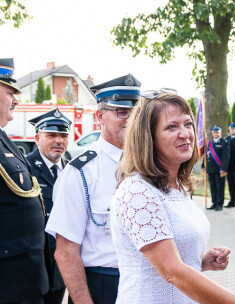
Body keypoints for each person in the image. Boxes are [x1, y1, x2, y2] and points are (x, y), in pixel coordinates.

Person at [110, 90, 235, 303]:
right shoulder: (137, 191)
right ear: (148, 137)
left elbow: (165, 261)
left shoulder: (177, 186)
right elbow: (172, 271)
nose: (185, 134)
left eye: (188, 124)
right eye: (171, 127)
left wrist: (201, 261)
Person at [45, 74, 141, 303]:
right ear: (100, 116)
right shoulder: (80, 172)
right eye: (122, 112)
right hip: (102, 287)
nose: (131, 119)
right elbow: (66, 251)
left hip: (145, 282)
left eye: (136, 113)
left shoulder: (149, 166)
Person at [0, 58, 49, 304]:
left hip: (25, 275)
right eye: (10, 92)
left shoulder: (4, 139)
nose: (16, 100)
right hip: (8, 281)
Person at [27, 109, 72, 304]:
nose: (59, 140)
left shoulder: (73, 171)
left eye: (63, 135)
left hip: (62, 266)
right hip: (35, 264)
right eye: (51, 135)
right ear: (37, 138)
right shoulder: (25, 168)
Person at [204, 125, 230, 211]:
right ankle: (214, 203)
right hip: (210, 168)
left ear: (221, 133)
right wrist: (203, 166)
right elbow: (207, 155)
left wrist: (224, 168)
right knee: (213, 186)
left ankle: (219, 204)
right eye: (214, 132)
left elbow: (226, 157)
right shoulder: (210, 143)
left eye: (217, 132)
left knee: (220, 187)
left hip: (220, 169)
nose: (215, 133)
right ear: (212, 133)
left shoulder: (224, 142)